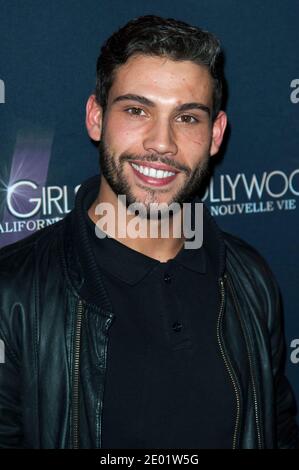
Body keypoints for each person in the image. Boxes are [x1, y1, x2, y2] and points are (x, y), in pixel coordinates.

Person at [0, 15, 298, 449]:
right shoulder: (13, 293)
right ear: (96, 118)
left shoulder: (250, 280)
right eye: (137, 110)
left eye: (188, 118)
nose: (162, 143)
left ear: (215, 135)